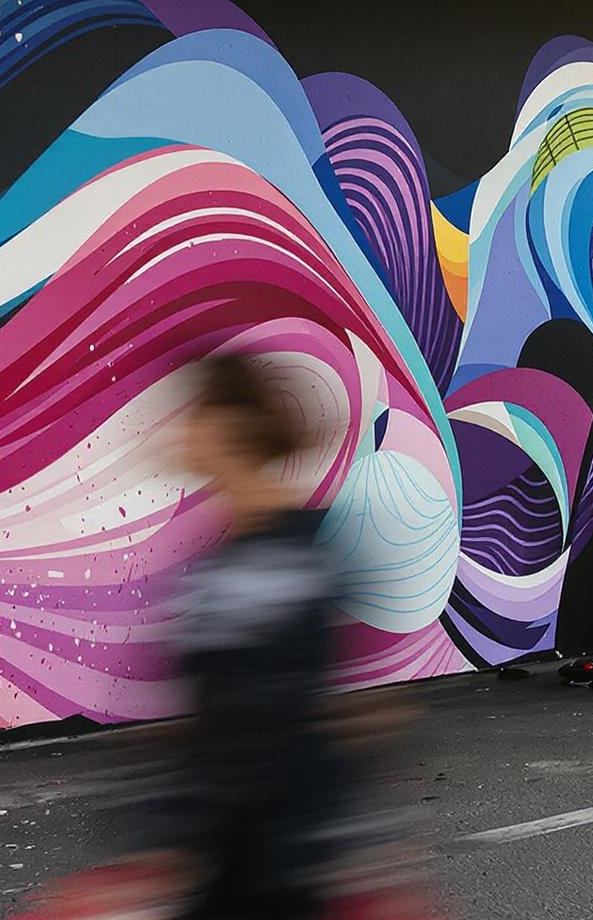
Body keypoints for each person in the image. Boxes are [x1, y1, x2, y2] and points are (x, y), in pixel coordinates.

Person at [162, 354, 349, 919]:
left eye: (194, 414)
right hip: (248, 839)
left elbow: (271, 712)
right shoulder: (244, 554)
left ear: (228, 429)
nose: (180, 429)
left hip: (265, 845)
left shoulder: (273, 560)